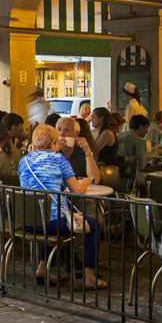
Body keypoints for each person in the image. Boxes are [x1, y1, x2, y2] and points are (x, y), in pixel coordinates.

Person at [18, 123, 106, 290]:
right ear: (53, 143)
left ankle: (42, 269)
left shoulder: (24, 161)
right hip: (51, 224)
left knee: (46, 216)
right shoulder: (60, 160)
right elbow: (77, 191)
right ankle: (89, 276)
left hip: (26, 220)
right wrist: (86, 182)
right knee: (93, 225)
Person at [55, 117, 100, 184]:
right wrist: (52, 153)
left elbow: (95, 180)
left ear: (76, 134)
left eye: (66, 130)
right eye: (59, 129)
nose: (61, 133)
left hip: (78, 192)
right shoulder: (51, 151)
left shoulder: (83, 151)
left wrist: (88, 152)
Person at [117, 114, 150, 180]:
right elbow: (142, 166)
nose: (147, 131)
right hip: (132, 177)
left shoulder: (117, 135)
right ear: (140, 126)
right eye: (146, 127)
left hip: (116, 175)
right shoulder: (139, 140)